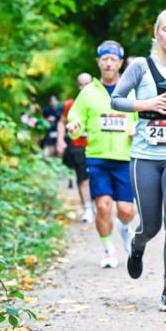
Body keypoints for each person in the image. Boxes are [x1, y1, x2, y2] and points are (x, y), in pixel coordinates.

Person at [110, 10, 166, 311]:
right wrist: (147, 104)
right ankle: (138, 243)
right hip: (144, 155)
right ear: (156, 33)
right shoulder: (140, 67)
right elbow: (115, 99)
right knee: (151, 226)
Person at [66, 41, 138, 269]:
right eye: (104, 59)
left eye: (113, 59)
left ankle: (124, 228)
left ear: (120, 63)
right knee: (104, 206)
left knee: (126, 211)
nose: (109, 63)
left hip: (124, 157)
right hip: (97, 157)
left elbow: (140, 119)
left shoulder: (130, 90)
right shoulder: (88, 92)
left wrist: (136, 129)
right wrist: (74, 125)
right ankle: (108, 251)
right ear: (98, 62)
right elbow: (75, 117)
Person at [58, 73, 94, 223]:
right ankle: (87, 208)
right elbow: (61, 122)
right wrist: (60, 140)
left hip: (98, 147)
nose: (84, 87)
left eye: (87, 84)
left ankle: (97, 203)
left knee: (96, 177)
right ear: (78, 86)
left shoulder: (102, 101)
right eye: (81, 84)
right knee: (82, 178)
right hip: (78, 146)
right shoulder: (70, 104)